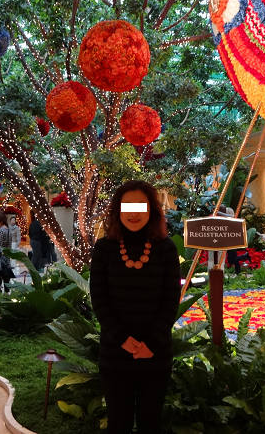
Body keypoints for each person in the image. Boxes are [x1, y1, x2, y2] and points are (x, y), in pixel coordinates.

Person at [90, 180, 181, 433]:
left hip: (156, 355)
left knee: (151, 424)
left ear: (151, 209)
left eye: (140, 206)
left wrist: (152, 343)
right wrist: (122, 339)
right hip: (115, 354)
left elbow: (171, 300)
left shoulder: (166, 248)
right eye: (127, 206)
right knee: (118, 424)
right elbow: (99, 299)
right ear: (118, 210)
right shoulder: (104, 248)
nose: (133, 213)